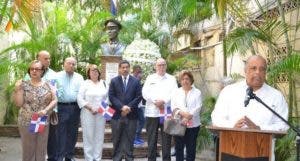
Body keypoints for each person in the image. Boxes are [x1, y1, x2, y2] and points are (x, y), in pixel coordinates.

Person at [211, 55, 289, 160]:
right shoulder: (229, 91)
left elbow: (283, 124)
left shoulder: (276, 96)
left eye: (262, 69)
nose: (257, 72)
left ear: (265, 73)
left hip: (263, 153)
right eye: (253, 68)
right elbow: (216, 117)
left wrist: (260, 129)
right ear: (245, 71)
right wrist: (232, 126)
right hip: (230, 151)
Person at [13, 60, 57, 161]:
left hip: (42, 119)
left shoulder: (49, 85)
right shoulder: (23, 84)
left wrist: (46, 110)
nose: (34, 71)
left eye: (37, 69)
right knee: (28, 149)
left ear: (42, 71)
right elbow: (19, 104)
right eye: (31, 69)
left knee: (41, 148)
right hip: (26, 120)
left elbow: (55, 100)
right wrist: (17, 89)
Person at [142, 58, 178, 161]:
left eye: (163, 65)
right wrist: (155, 101)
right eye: (159, 65)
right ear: (155, 66)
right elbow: (144, 92)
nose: (161, 67)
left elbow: (174, 93)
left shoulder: (172, 79)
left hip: (166, 112)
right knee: (152, 139)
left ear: (166, 66)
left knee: (167, 140)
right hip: (152, 112)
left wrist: (164, 101)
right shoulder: (150, 78)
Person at [109, 60, 142, 161]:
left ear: (129, 68)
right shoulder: (114, 81)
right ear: (119, 69)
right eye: (122, 67)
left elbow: (138, 97)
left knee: (129, 139)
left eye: (127, 67)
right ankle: (117, 158)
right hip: (117, 115)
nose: (125, 69)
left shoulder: (136, 81)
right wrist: (121, 107)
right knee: (116, 138)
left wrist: (128, 107)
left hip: (131, 115)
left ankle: (129, 158)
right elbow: (111, 96)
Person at [77, 64, 107, 161]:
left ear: (99, 72)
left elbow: (107, 99)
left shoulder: (104, 83)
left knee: (99, 136)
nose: (94, 72)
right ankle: (89, 158)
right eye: (92, 70)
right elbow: (79, 98)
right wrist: (90, 107)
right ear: (88, 73)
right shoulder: (85, 83)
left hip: (101, 113)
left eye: (96, 70)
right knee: (88, 136)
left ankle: (97, 158)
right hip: (87, 113)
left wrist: (99, 108)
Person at [56, 57, 84, 161]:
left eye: (73, 64)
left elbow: (82, 93)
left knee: (73, 133)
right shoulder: (57, 76)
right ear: (64, 64)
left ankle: (69, 155)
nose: (71, 66)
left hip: (75, 108)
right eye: (69, 63)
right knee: (61, 133)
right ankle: (60, 156)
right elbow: (52, 92)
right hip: (61, 107)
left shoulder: (80, 77)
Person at [170, 70, 202, 161]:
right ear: (180, 81)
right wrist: (182, 114)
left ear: (191, 80)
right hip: (179, 124)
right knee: (179, 148)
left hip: (193, 125)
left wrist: (188, 117)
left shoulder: (197, 92)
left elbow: (198, 107)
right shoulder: (176, 92)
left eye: (187, 79)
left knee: (191, 149)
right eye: (183, 79)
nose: (185, 81)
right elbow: (173, 106)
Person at [132, 65, 145, 146]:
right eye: (138, 72)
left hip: (139, 105)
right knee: (137, 122)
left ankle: (137, 137)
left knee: (142, 121)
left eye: (140, 72)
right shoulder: (133, 80)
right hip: (135, 106)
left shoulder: (138, 80)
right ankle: (134, 138)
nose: (140, 74)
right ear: (134, 72)